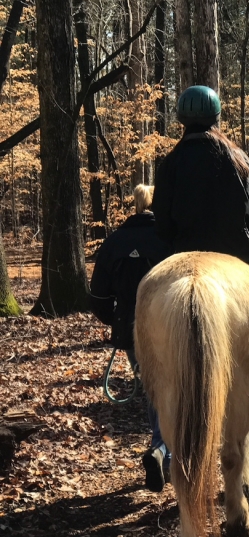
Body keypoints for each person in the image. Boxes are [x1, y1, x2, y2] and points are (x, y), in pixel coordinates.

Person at [151, 86, 249, 380]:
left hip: (185, 255)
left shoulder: (169, 163)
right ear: (216, 115)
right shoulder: (236, 157)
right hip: (237, 253)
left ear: (181, 119)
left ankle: (146, 363)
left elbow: (160, 221)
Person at [89, 184, 172, 492]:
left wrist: (121, 321)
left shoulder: (114, 242)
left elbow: (97, 297)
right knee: (171, 387)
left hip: (133, 331)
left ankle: (162, 449)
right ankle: (165, 451)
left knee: (154, 388)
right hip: (169, 325)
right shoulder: (169, 239)